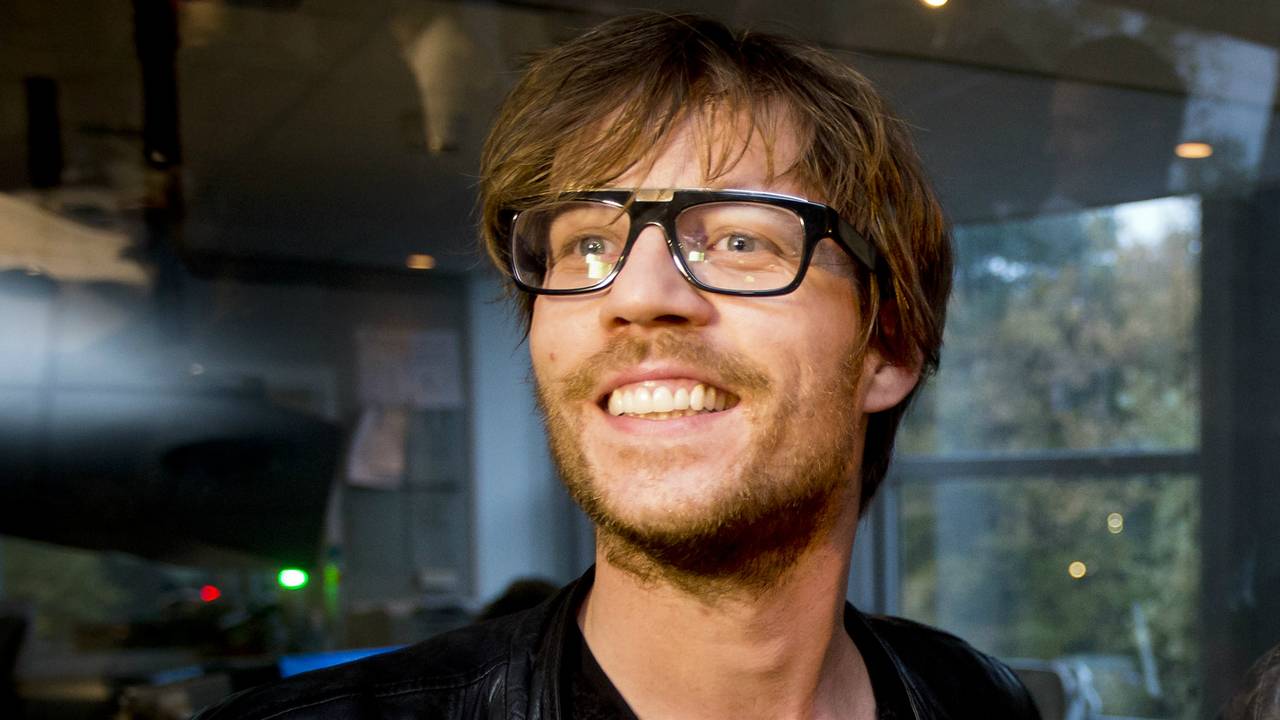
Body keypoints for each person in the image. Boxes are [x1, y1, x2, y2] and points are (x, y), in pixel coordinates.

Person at [198, 13, 1040, 719]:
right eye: (588, 245)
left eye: (739, 240)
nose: (635, 295)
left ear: (889, 348)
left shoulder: (977, 701)